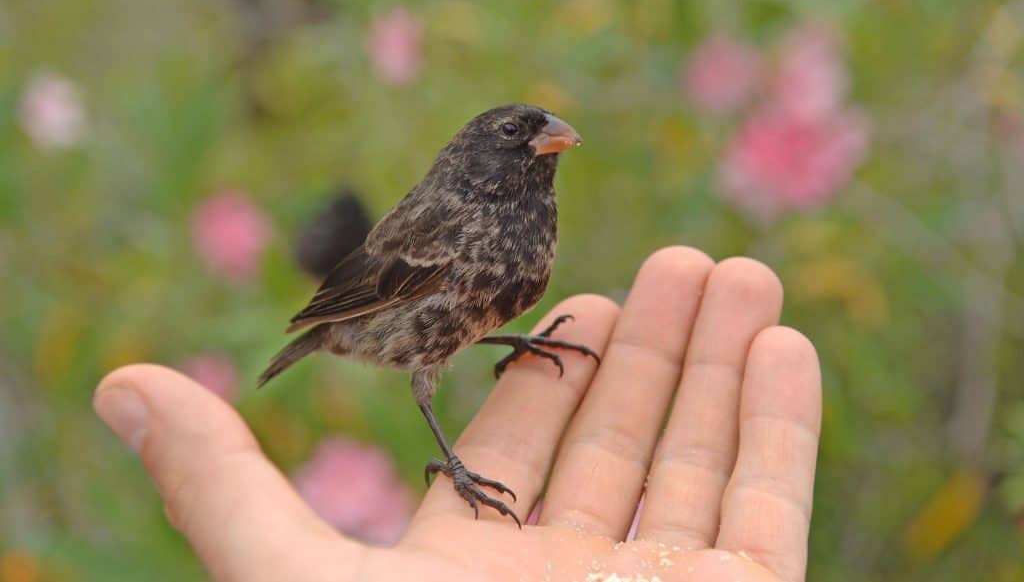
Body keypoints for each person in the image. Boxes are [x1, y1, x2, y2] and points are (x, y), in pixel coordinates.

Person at [93, 247, 821, 582]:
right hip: (364, 320)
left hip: (454, 315)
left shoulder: (523, 220)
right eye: (521, 133)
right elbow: (382, 280)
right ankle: (458, 466)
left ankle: (509, 351)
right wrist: (320, 320)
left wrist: (511, 334)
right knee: (426, 382)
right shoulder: (454, 222)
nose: (550, 139)